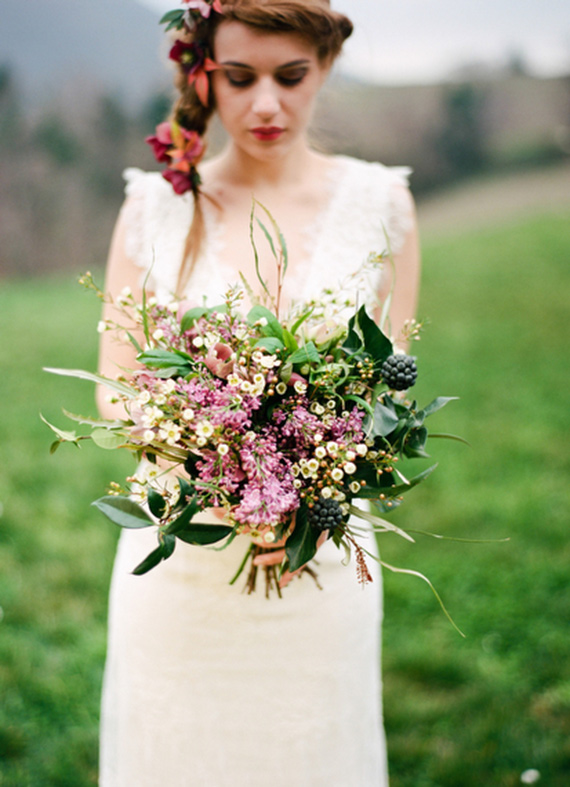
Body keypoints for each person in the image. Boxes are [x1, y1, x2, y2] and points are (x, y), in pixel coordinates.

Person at [97, 1, 420, 784]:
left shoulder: (383, 206)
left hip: (320, 571)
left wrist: (304, 498)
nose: (266, 104)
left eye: (291, 76)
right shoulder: (153, 207)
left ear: (327, 68)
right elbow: (115, 391)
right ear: (203, 73)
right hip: (180, 569)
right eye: (239, 79)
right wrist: (226, 478)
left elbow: (389, 392)